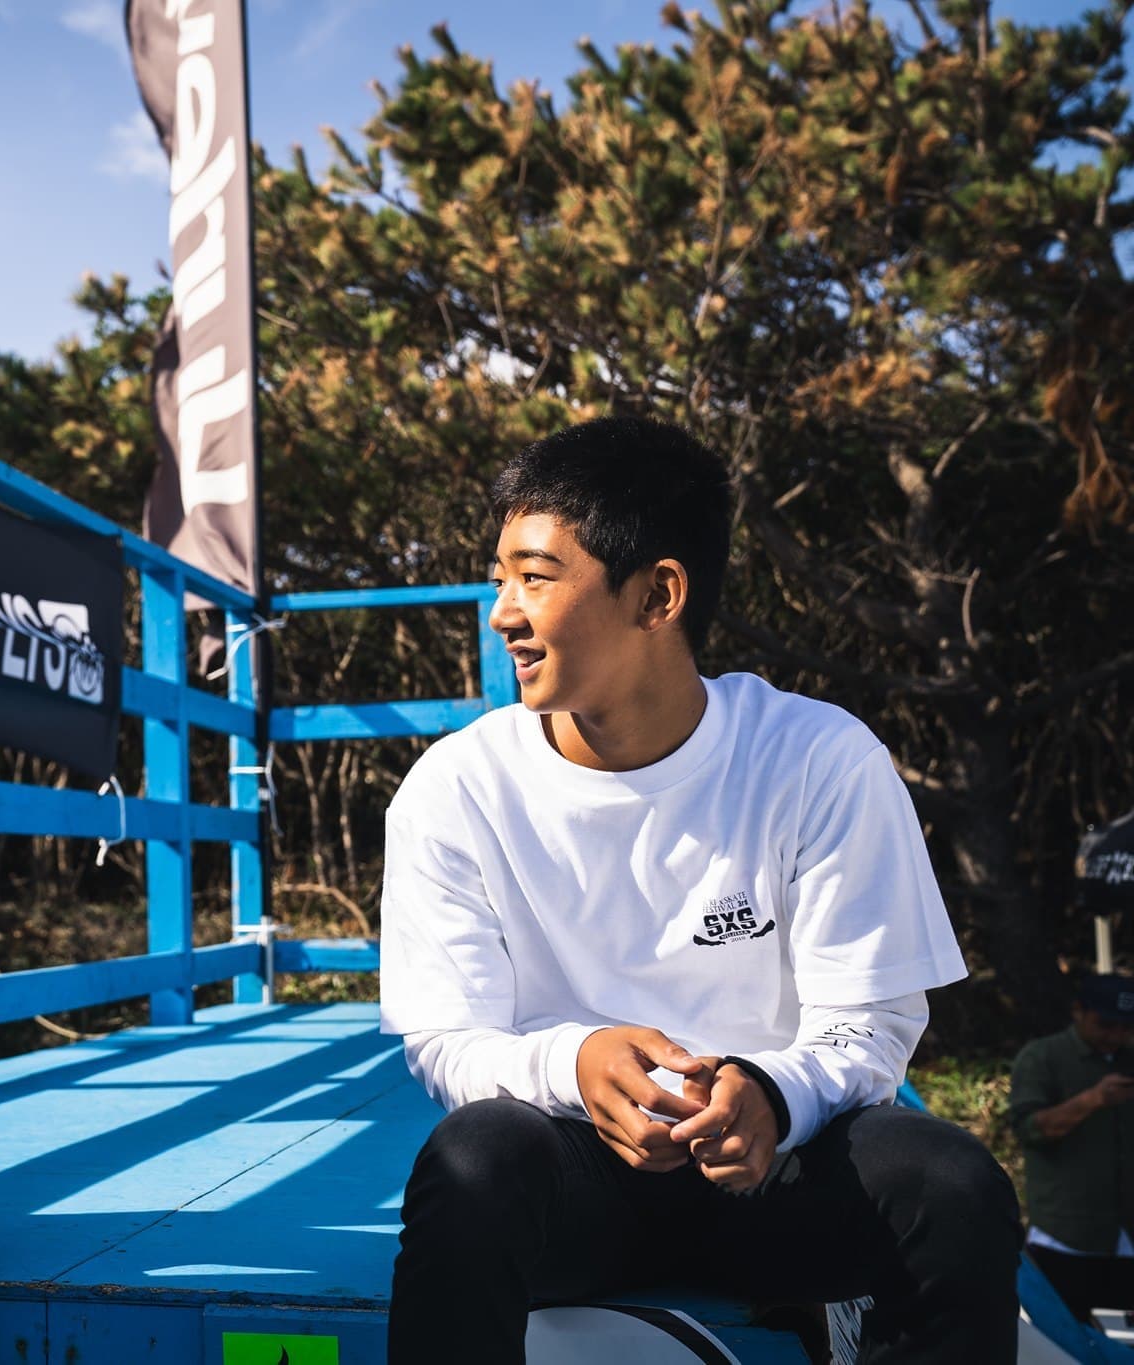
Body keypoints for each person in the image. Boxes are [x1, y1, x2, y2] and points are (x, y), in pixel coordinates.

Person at [379, 417, 1019, 1363]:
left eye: (535, 577)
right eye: (499, 577)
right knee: (472, 1162)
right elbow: (447, 1040)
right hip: (575, 1179)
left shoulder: (818, 758)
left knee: (955, 1185)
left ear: (658, 595)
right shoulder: (456, 787)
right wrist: (575, 1061)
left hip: (778, 1170)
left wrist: (773, 1091)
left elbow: (871, 1021)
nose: (501, 613)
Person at [1009, 973, 1134, 1325]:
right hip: (1065, 1236)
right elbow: (1029, 1130)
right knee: (1066, 1336)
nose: (1115, 1036)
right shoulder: (1043, 1057)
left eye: (1126, 1028)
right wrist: (1094, 1099)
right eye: (1105, 1024)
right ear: (1079, 1011)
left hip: (1126, 1234)